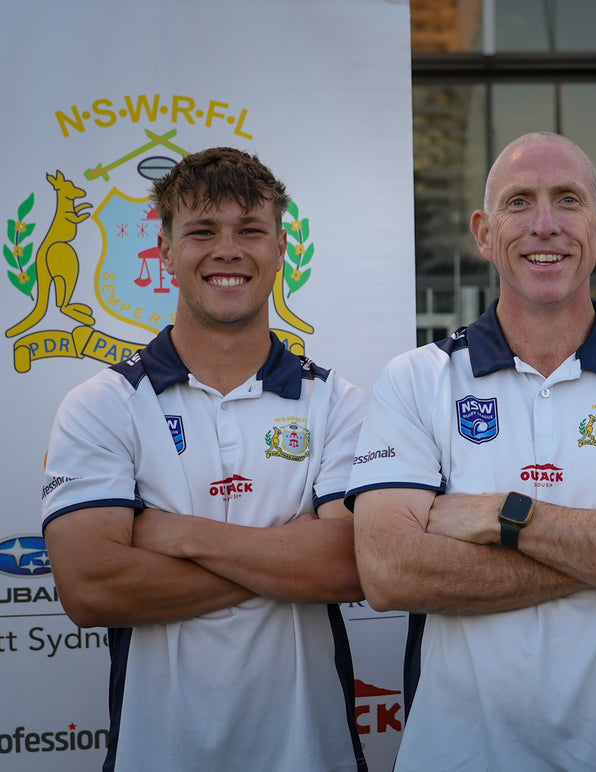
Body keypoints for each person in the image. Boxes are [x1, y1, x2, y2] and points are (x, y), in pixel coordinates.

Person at [348, 131, 596, 771]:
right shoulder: (417, 379)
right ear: (483, 232)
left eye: (567, 200)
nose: (545, 225)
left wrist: (507, 517)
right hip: (459, 754)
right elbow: (391, 574)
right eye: (519, 203)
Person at [41, 147, 368, 771]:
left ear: (279, 248)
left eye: (250, 230)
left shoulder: (337, 403)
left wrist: (173, 533)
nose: (228, 250)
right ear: (163, 248)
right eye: (201, 231)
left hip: (310, 754)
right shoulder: (101, 405)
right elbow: (89, 587)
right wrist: (283, 560)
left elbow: (349, 567)